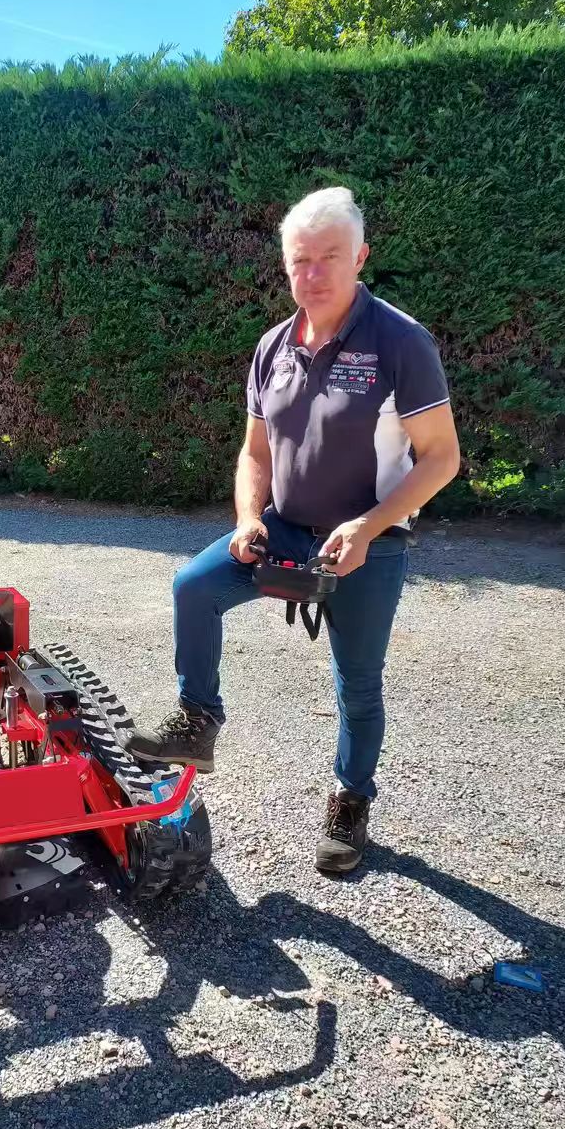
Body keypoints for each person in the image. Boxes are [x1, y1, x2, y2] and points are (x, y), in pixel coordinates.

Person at [129, 186, 460, 873]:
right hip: (283, 528)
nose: (312, 275)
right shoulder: (272, 347)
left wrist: (368, 525)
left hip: (370, 542)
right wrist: (249, 517)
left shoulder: (401, 342)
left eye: (328, 258)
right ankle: (198, 719)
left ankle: (350, 800)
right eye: (299, 261)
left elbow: (441, 458)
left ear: (360, 257)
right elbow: (255, 452)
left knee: (357, 683)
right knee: (194, 586)